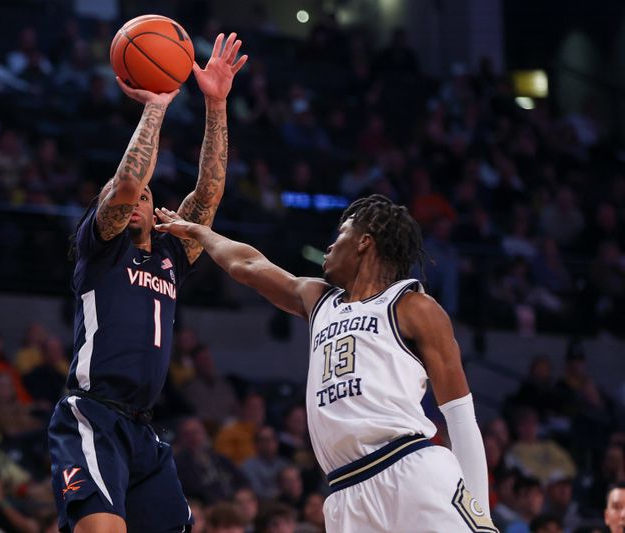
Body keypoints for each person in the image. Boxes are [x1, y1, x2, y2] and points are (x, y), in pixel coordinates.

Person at [154, 193, 496, 532]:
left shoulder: (412, 306)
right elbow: (249, 265)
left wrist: (480, 510)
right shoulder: (318, 299)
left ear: (364, 242)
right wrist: (199, 231)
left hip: (408, 467)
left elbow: (460, 414)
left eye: (340, 235)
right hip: (343, 491)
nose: (329, 248)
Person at [47, 32, 248, 533]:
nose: (136, 198)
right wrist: (156, 105)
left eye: (145, 197)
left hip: (143, 427)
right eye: (121, 198)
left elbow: (209, 191)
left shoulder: (171, 255)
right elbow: (129, 182)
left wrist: (216, 103)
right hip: (92, 413)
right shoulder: (101, 247)